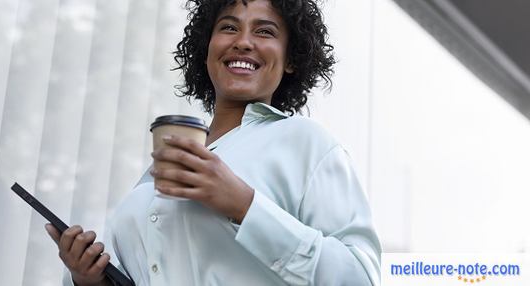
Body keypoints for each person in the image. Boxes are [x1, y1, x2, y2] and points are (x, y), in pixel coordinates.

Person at [46, 0, 381, 285]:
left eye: (264, 31)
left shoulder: (306, 143)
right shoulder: (157, 175)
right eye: (229, 28)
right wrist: (88, 278)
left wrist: (244, 205)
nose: (243, 42)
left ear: (291, 59)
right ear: (207, 49)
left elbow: (360, 276)